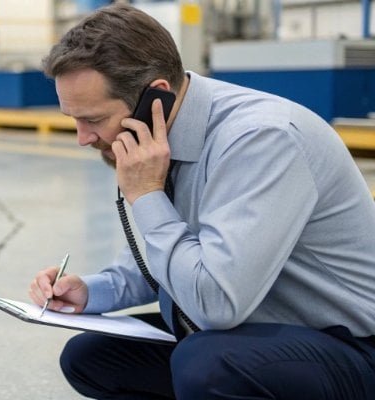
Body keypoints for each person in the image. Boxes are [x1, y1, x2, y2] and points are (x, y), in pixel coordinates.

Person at [28, 4, 375, 399]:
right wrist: (90, 292)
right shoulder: (165, 138)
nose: (83, 138)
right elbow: (160, 264)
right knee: (90, 357)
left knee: (208, 365)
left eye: (93, 119)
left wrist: (147, 195)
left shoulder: (260, 141)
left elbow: (216, 304)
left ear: (154, 99)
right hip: (255, 332)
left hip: (349, 345)